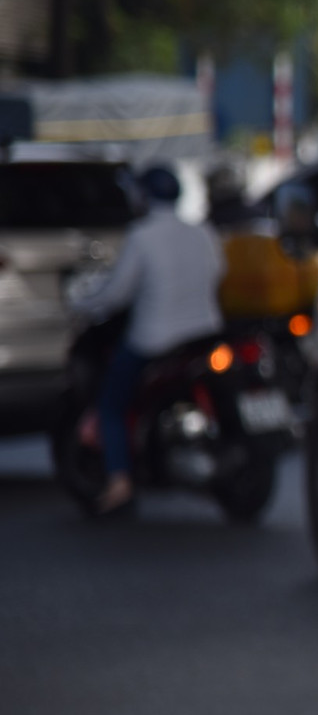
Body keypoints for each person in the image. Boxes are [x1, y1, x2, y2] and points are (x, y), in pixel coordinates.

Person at [72, 166, 225, 516]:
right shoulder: (201, 232)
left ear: (143, 196)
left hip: (155, 341)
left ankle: (119, 483)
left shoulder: (142, 236)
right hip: (204, 334)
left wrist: (81, 304)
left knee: (111, 405)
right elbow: (219, 273)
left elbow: (115, 294)